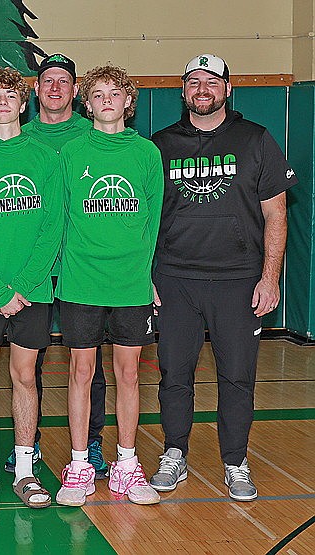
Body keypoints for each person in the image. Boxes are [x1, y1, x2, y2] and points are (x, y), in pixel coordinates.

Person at [150, 54, 296, 501]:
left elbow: (276, 213)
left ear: (228, 89)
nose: (202, 89)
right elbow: (142, 219)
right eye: (194, 81)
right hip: (174, 279)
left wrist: (270, 277)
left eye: (211, 81)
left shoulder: (256, 140)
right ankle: (174, 454)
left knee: (237, 376)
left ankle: (235, 460)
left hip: (238, 281)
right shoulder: (159, 145)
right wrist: (146, 275)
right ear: (183, 92)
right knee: (175, 374)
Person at [54, 66, 162, 507]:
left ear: (128, 101)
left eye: (115, 93)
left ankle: (127, 464)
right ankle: (79, 464)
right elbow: (60, 218)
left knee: (129, 374)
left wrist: (147, 273)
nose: (106, 99)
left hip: (131, 285)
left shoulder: (147, 154)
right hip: (82, 283)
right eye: (97, 93)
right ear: (87, 102)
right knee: (82, 373)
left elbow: (152, 221)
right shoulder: (72, 153)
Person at [0, 67, 63, 510]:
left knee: (24, 377)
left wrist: (22, 286)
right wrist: (0, 290)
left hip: (33, 292)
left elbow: (52, 228)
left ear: (24, 104)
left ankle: (24, 468)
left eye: (10, 95)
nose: (3, 101)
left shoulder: (45, 158)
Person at [6, 53, 110, 481]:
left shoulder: (95, 135)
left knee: (89, 361)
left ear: (76, 91)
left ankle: (93, 442)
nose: (54, 88)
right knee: (27, 364)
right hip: (32, 272)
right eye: (47, 80)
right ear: (35, 88)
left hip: (81, 270)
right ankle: (25, 447)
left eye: (63, 82)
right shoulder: (18, 136)